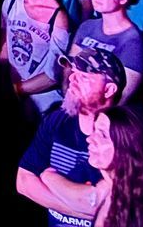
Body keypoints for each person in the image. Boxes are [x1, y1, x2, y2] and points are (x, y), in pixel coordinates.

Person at [17, 45, 124, 227]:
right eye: (73, 72)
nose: (72, 79)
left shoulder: (122, 133)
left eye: (83, 76)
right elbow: (24, 181)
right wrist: (75, 208)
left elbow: (101, 201)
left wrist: (49, 178)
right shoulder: (57, 120)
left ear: (109, 90)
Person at [87, 106, 143, 227]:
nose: (90, 139)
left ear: (126, 148)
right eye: (94, 131)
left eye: (103, 135)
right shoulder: (106, 192)